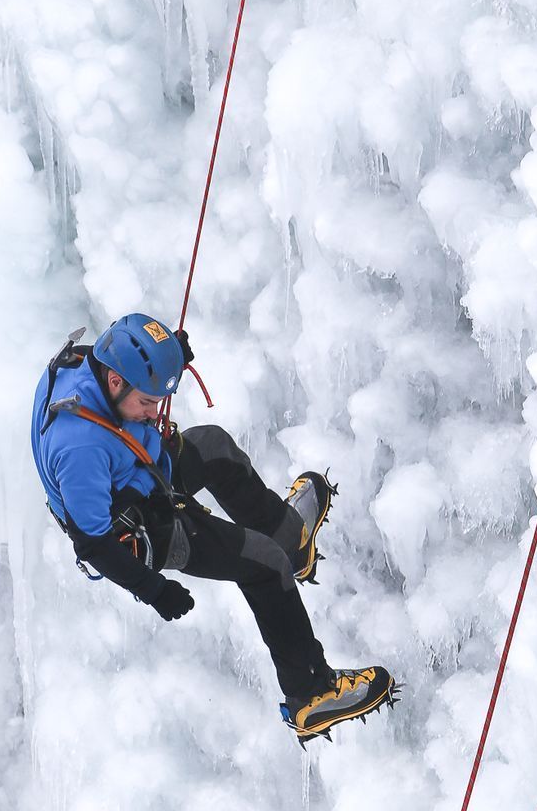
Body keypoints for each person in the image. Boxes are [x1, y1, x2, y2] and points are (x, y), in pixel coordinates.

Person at [31, 314, 397, 741]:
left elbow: (136, 358)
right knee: (264, 565)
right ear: (115, 383)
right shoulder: (79, 447)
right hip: (139, 529)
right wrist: (154, 589)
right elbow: (93, 545)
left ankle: (292, 540)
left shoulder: (88, 362)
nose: (153, 413)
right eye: (148, 403)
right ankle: (310, 693)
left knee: (215, 448)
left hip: (137, 470)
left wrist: (168, 358)